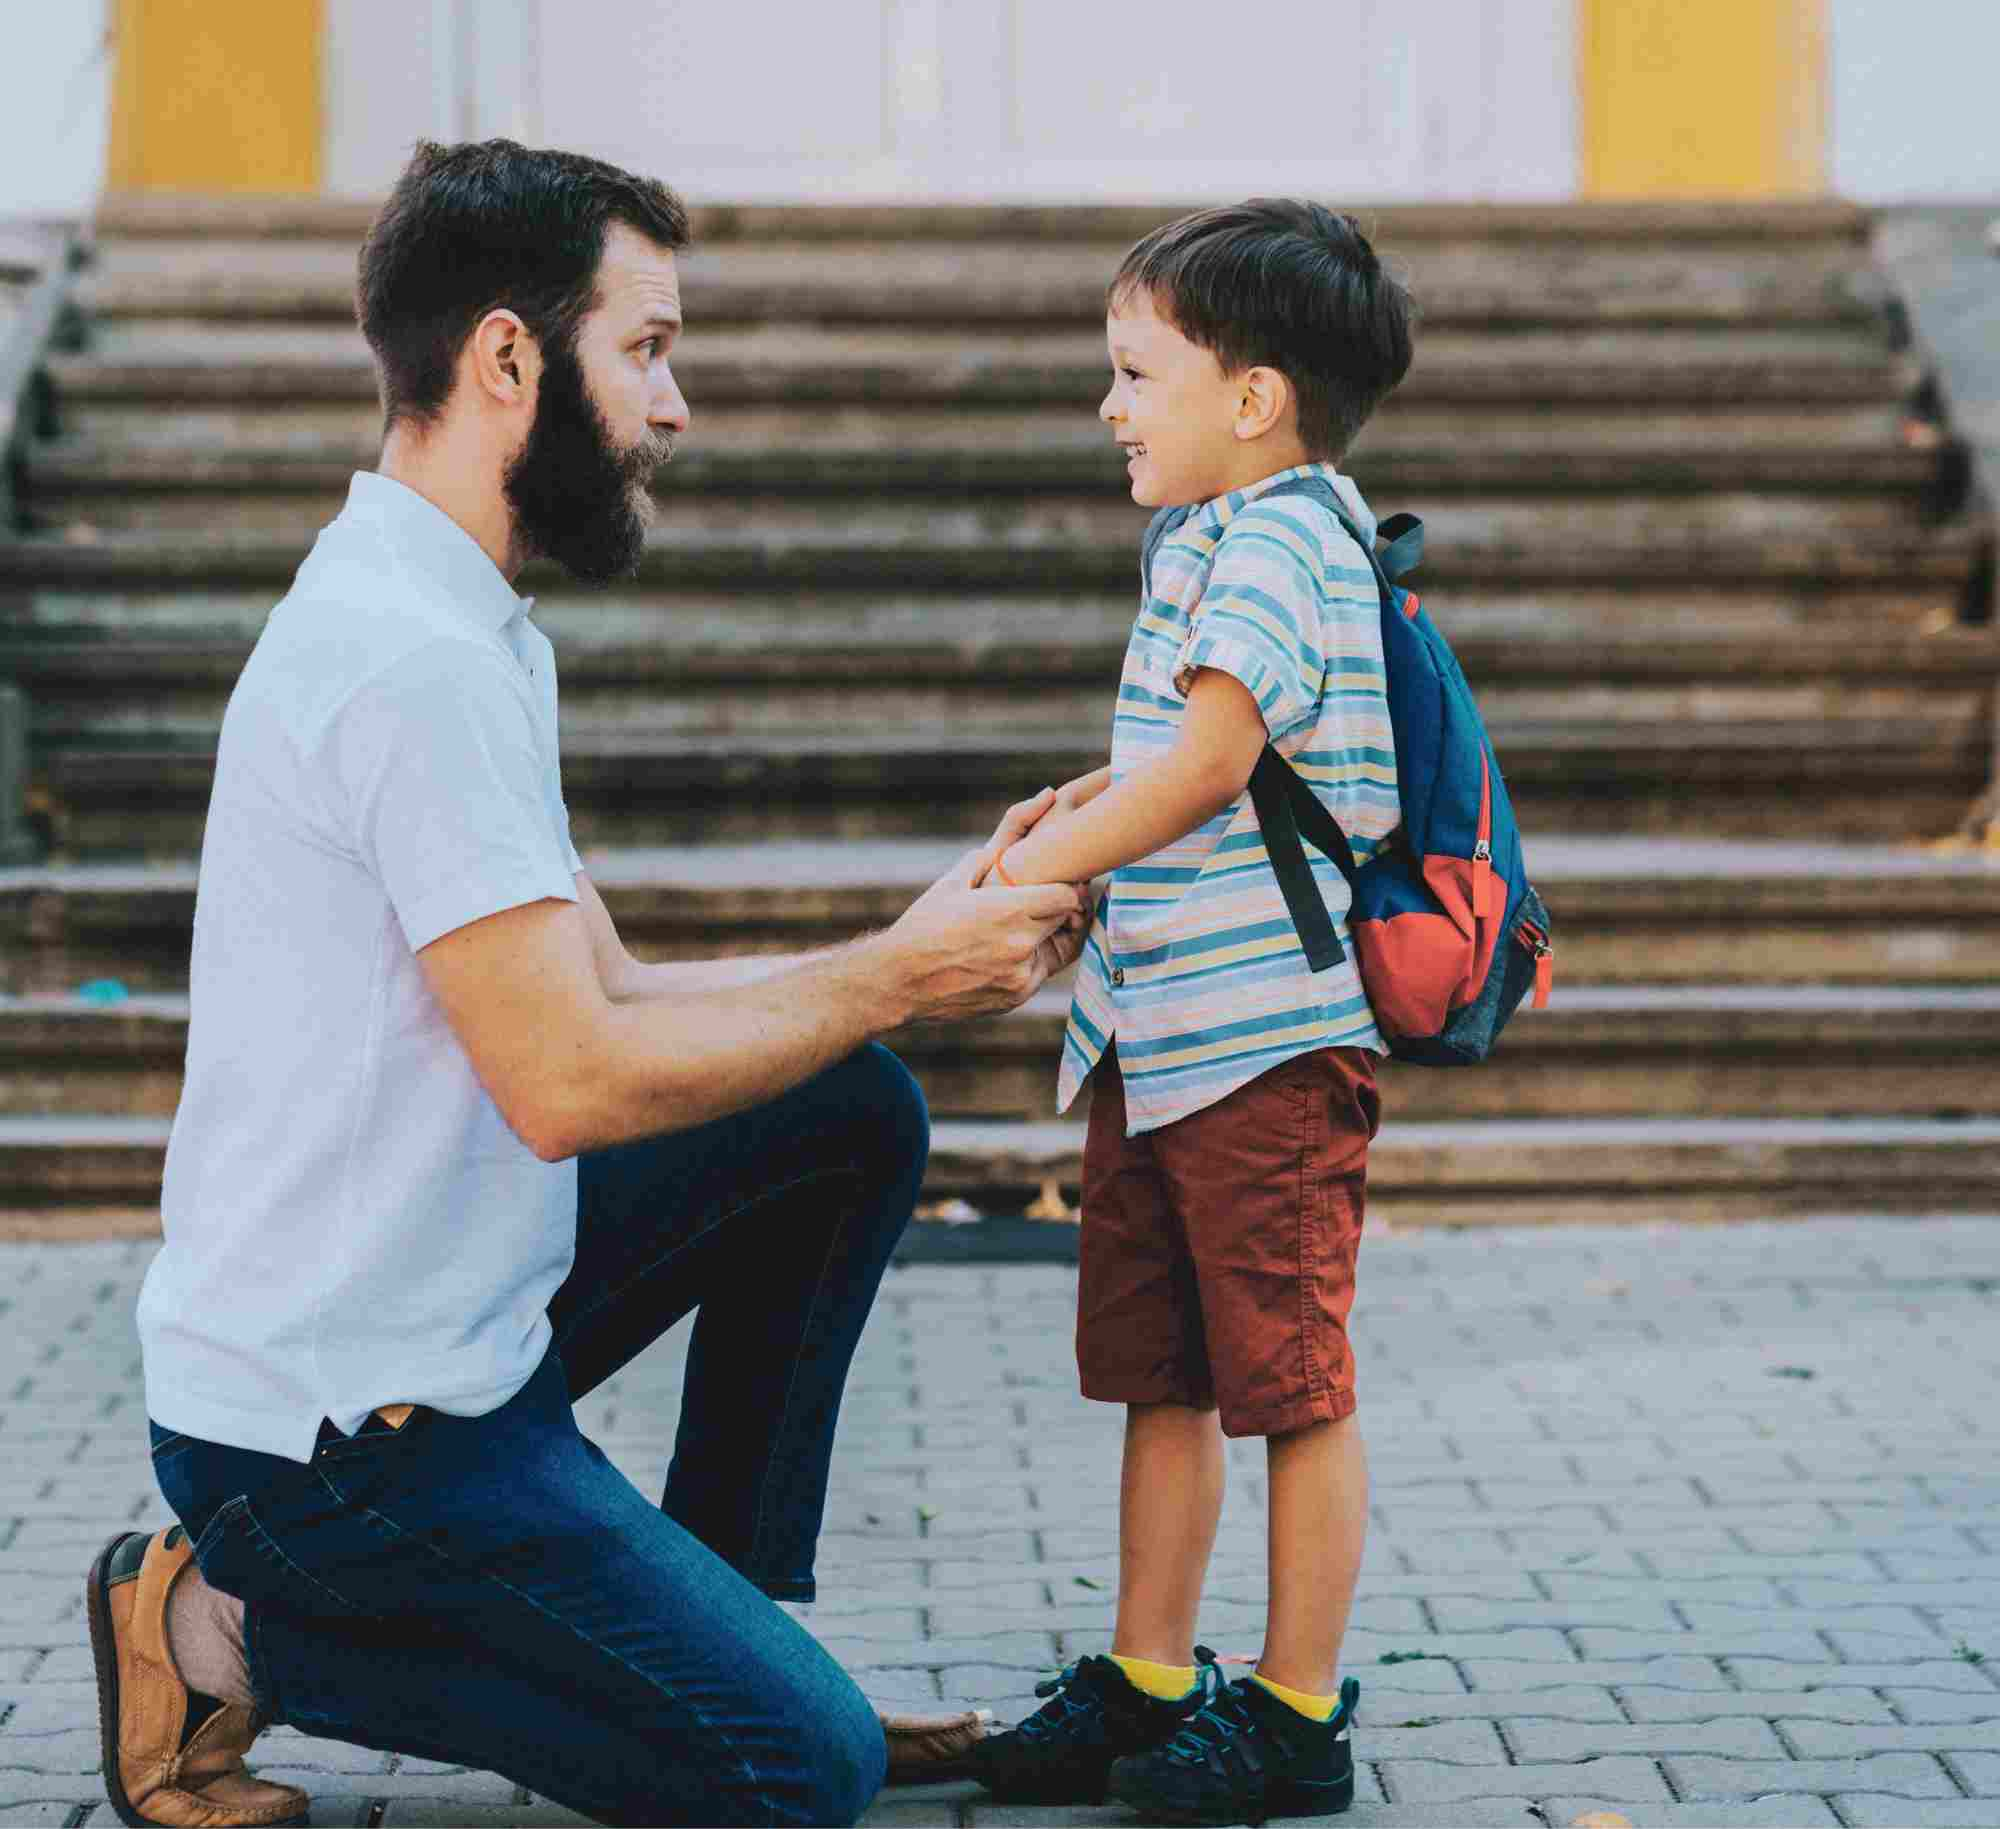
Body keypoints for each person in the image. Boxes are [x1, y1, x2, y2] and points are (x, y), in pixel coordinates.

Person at [81, 139, 1088, 1829]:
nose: (674, 406)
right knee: (794, 1769)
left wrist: (901, 950)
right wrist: (901, 973)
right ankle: (215, 1628)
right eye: (647, 349)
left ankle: (707, 1626)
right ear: (504, 359)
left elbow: (611, 987)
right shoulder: (410, 661)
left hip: (436, 1320)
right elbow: (571, 1084)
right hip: (336, 1447)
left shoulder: (457, 621)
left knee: (842, 1107)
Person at [964, 200, 1413, 1823]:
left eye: (1134, 370)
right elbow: (1193, 758)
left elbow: (1218, 764)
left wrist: (1022, 889)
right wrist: (1079, 808)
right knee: (1163, 1370)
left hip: (1267, 1047)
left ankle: (1296, 1717)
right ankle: (1154, 1675)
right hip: (1158, 1037)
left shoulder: (1294, 530)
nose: (1110, 404)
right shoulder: (1207, 537)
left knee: (1291, 1380)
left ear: (1254, 397)